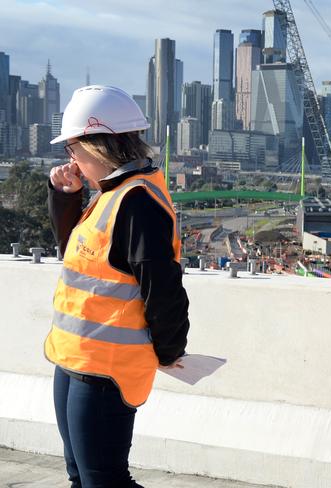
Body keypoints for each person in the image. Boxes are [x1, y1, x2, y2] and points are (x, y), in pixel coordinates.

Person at [44, 85, 190, 487]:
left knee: (103, 481)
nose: (71, 159)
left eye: (73, 149)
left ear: (97, 146)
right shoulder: (109, 195)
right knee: (81, 475)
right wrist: (65, 197)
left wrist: (170, 349)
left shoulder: (137, 201)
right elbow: (74, 252)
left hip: (107, 368)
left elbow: (163, 290)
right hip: (74, 357)